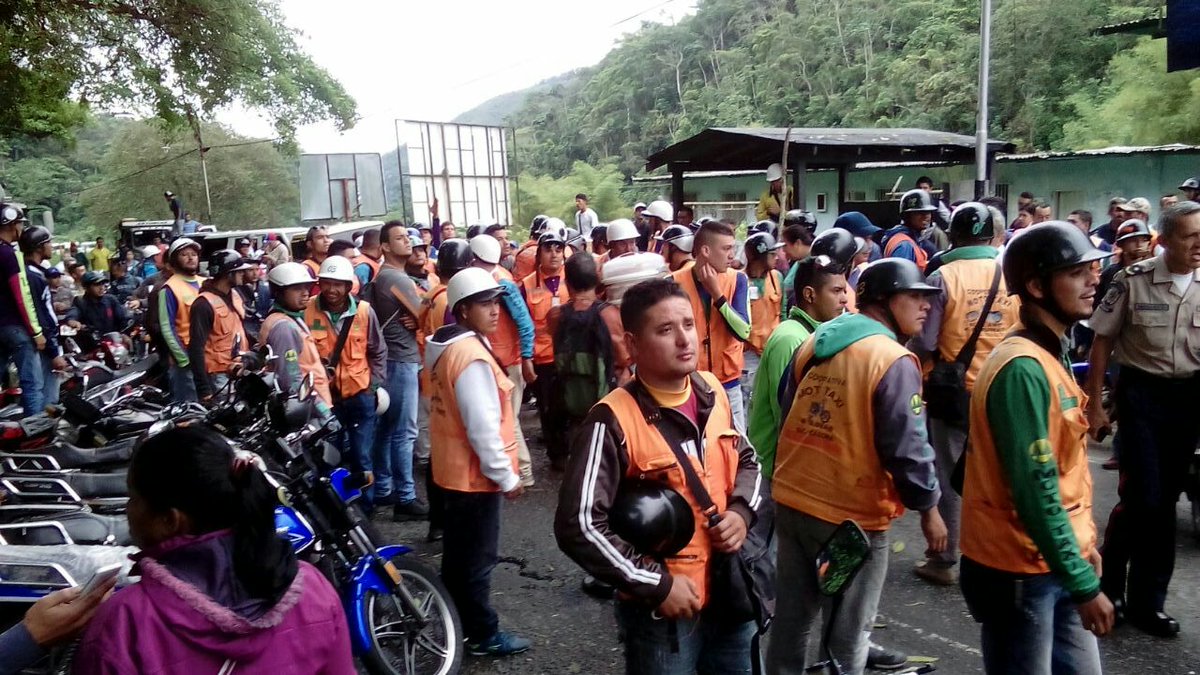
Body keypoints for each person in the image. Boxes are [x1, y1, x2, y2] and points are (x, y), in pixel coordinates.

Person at [554, 277, 762, 673]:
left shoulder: (713, 391)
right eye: (665, 330)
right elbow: (578, 524)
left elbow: (749, 460)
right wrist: (656, 585)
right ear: (632, 344)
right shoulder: (611, 420)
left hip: (732, 588)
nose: (684, 339)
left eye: (687, 324)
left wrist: (740, 513)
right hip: (664, 615)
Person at [767, 258, 946, 675]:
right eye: (915, 297)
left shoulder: (817, 339)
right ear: (884, 300)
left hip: (793, 498)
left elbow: (786, 403)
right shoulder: (892, 359)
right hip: (850, 520)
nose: (925, 306)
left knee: (792, 621)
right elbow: (909, 446)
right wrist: (930, 509)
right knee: (847, 633)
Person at [73, 425, 355, 674]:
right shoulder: (312, 588)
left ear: (170, 520)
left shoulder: (123, 624)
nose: (127, 509)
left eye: (134, 498)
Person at [959, 222, 1114, 673]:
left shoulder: (1048, 351)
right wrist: (1083, 583)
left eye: (1092, 269)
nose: (1093, 280)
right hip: (1020, 569)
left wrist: (1080, 548)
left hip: (1055, 562)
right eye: (1076, 272)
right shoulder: (1022, 368)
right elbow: (1036, 489)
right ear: (1036, 286)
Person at [1087, 201, 1200, 637]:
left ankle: (1148, 603)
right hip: (1141, 396)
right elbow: (1101, 342)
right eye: (1190, 236)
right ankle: (1110, 586)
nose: (1197, 245)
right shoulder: (1131, 280)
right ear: (1165, 240)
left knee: (1166, 502)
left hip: (1188, 398)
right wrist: (1095, 404)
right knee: (1144, 498)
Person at [909, 203, 1019, 586]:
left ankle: (944, 559)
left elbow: (924, 339)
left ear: (953, 235)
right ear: (994, 236)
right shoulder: (1013, 272)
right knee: (1001, 472)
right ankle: (1001, 554)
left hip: (954, 392)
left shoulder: (942, 277)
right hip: (1006, 387)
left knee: (950, 472)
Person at [426, 267, 530, 657]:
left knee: (458, 558)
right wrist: (507, 478)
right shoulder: (470, 356)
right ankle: (483, 635)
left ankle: (453, 623)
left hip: (451, 473)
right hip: (474, 478)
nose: (495, 311)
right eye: (484, 304)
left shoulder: (446, 346)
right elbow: (482, 427)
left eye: (496, 302)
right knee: (477, 562)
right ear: (463, 310)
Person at [747, 255, 847, 482]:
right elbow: (787, 415)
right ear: (810, 294)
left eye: (844, 291)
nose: (844, 299)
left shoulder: (815, 336)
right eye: (836, 291)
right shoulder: (791, 338)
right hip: (776, 470)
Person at [307, 255, 387, 506]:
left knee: (362, 457)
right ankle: (333, 507)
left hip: (359, 396)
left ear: (347, 286)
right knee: (327, 456)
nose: (332, 290)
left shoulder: (364, 312)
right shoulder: (307, 310)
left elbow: (378, 351)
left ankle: (365, 508)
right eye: (327, 283)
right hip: (324, 400)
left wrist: (372, 388)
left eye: (338, 284)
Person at [367, 223, 428, 519]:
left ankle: (383, 489)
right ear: (386, 247)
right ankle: (405, 497)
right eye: (400, 238)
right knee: (405, 431)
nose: (408, 241)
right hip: (402, 359)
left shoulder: (384, 276)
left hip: (388, 360)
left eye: (408, 236)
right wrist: (419, 318)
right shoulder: (396, 278)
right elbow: (424, 317)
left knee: (388, 429)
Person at [470, 234, 538, 486]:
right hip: (498, 360)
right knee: (505, 419)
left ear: (474, 258)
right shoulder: (493, 279)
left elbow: (525, 324)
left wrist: (527, 357)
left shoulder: (502, 284)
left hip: (508, 363)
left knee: (508, 419)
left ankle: (524, 472)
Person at [672, 220, 750, 431]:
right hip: (690, 382)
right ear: (705, 250)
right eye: (726, 248)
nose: (732, 255)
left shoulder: (738, 280)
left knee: (736, 442)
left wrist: (718, 295)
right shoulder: (673, 283)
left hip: (728, 383)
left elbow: (743, 331)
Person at [520, 230, 571, 468]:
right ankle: (557, 454)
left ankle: (573, 449)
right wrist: (526, 358)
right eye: (548, 249)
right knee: (548, 408)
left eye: (558, 249)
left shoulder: (573, 278)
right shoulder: (527, 284)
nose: (553, 254)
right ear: (539, 253)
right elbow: (523, 325)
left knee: (572, 405)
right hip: (543, 358)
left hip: (571, 355)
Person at [260, 262, 332, 410]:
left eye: (307, 287)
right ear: (279, 293)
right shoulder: (283, 327)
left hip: (310, 402)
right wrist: (322, 411)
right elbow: (290, 380)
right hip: (306, 409)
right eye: (297, 289)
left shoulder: (293, 318)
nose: (305, 293)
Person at [187, 250, 249, 402]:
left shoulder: (235, 295)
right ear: (228, 274)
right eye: (239, 271)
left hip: (239, 369)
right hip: (218, 377)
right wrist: (204, 390)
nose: (243, 274)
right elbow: (196, 349)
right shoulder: (203, 305)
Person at [19, 226, 65, 408]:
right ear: (39, 247)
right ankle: (43, 431)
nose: (51, 246)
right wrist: (54, 352)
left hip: (41, 342)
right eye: (48, 243)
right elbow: (39, 316)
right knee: (47, 394)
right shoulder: (35, 277)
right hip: (44, 344)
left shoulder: (29, 273)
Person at [157, 237, 205, 403]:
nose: (191, 258)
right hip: (186, 358)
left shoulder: (205, 283)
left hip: (208, 356)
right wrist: (183, 359)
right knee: (189, 408)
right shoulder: (169, 288)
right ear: (175, 260)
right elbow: (167, 327)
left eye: (193, 254)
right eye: (184, 254)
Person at [742, 231, 783, 410]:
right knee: (746, 397)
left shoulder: (777, 278)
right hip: (749, 353)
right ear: (760, 256)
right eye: (772, 254)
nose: (778, 258)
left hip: (772, 349)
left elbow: (784, 311)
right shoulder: (740, 281)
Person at [882, 189, 941, 272]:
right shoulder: (904, 244)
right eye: (920, 213)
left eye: (928, 212)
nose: (926, 216)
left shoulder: (912, 239)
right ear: (907, 216)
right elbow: (900, 279)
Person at [237, 262, 272, 342]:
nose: (255, 273)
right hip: (246, 327)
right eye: (250, 270)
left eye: (257, 269)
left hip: (264, 325)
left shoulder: (265, 287)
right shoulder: (238, 289)